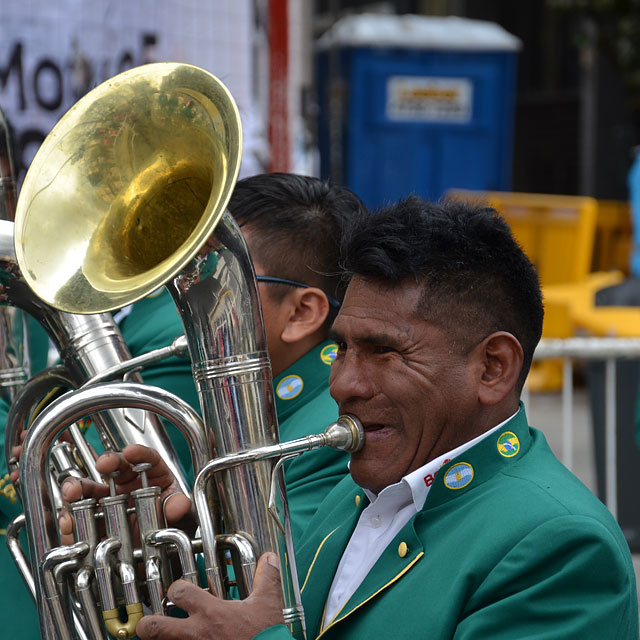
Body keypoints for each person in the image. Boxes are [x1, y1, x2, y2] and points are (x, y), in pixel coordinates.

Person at [131, 195, 638, 640]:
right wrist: (155, 555)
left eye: (384, 352)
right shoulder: (356, 494)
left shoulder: (561, 546)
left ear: (493, 368)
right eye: (341, 349)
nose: (343, 384)